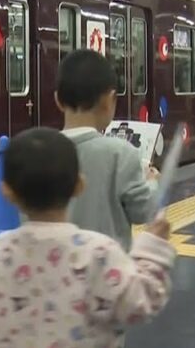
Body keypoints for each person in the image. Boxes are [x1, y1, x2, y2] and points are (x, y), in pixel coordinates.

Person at [0, 127, 175, 348]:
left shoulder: (0, 252)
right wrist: (152, 247)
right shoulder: (98, 252)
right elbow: (138, 304)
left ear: (7, 192)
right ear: (79, 185)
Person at [55, 49, 159, 251]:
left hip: (55, 275)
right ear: (109, 100)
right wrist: (152, 183)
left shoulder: (41, 152)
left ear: (58, 100)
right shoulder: (120, 153)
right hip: (109, 275)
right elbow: (143, 211)